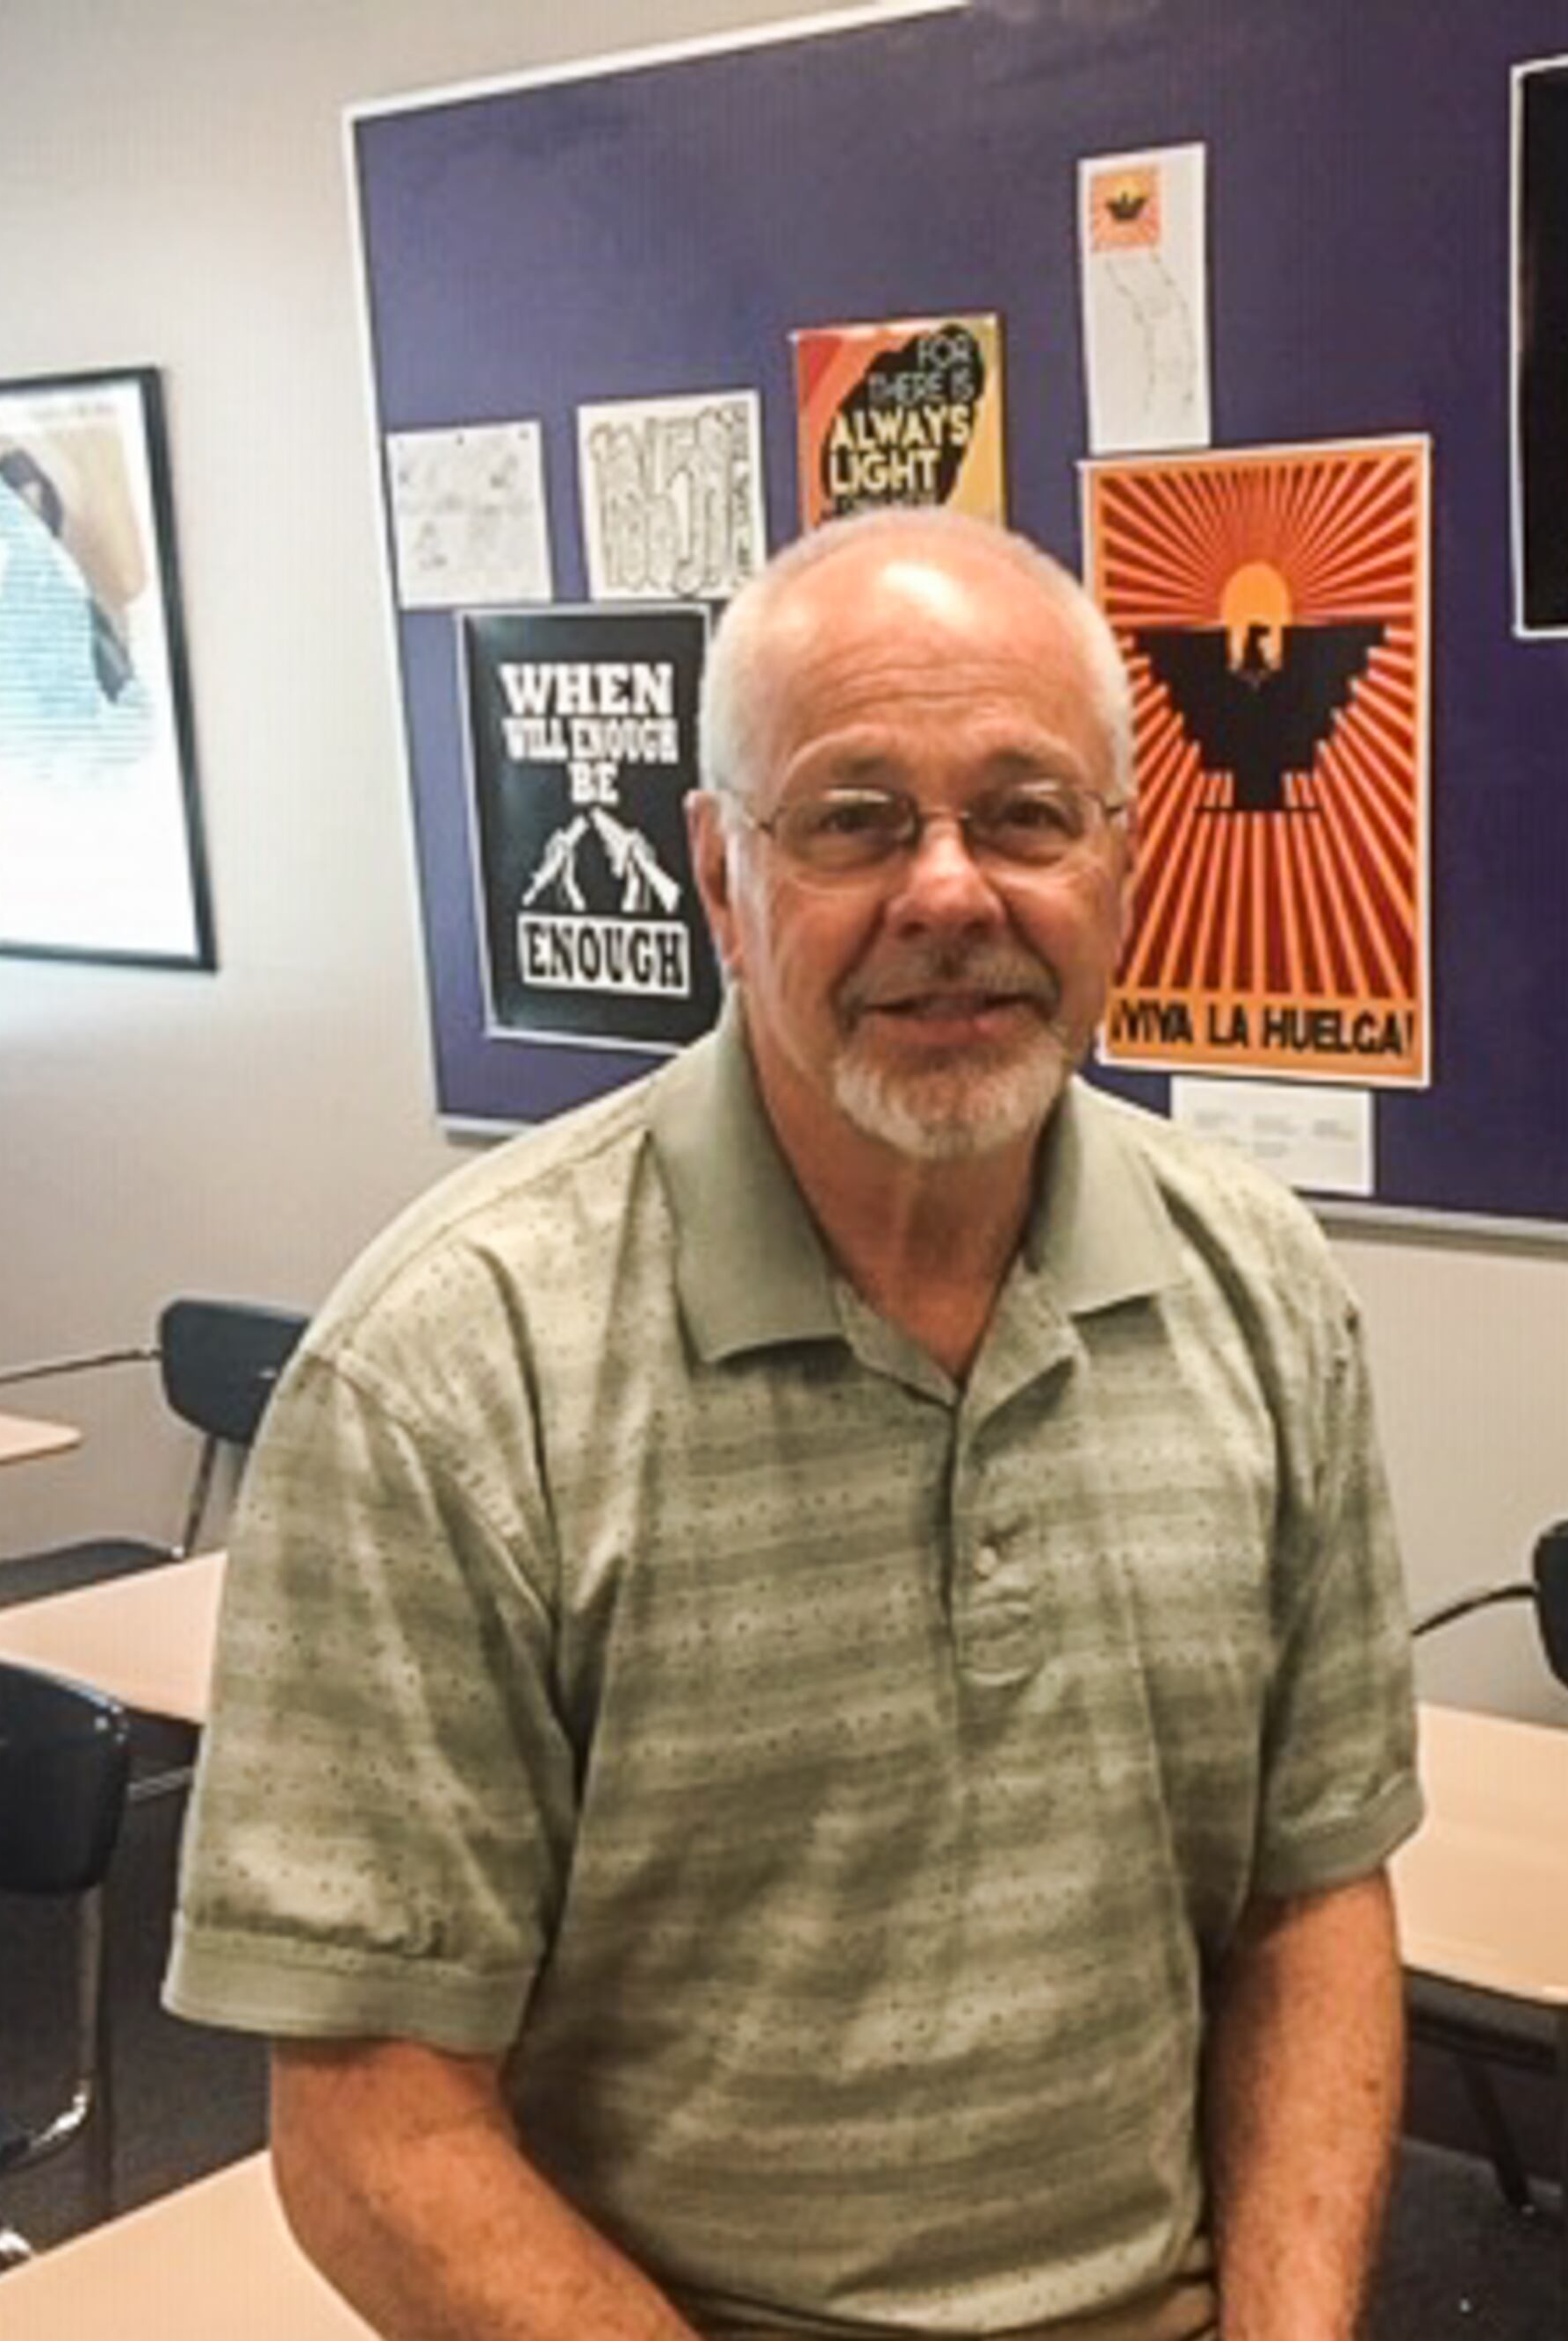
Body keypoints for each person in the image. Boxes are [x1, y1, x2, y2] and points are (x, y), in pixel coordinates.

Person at [164, 508, 1422, 2341]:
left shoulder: (1263, 1294)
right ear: (714, 871)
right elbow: (370, 2121)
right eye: (850, 818)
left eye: (1022, 812)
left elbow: (1311, 1903)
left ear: (1122, 867)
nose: (945, 894)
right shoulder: (451, 1372)